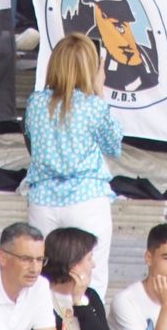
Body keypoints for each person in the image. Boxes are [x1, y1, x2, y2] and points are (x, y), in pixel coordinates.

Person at [23, 35, 122, 297]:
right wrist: (100, 93)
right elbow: (114, 146)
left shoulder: (35, 104)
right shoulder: (93, 107)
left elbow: (32, 143)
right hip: (87, 200)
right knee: (92, 278)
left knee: (43, 279)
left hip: (44, 201)